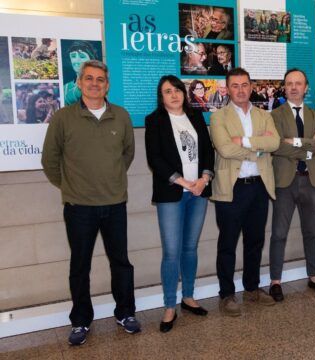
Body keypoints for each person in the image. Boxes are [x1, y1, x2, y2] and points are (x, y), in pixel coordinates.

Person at [41, 60, 139, 346]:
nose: (95, 84)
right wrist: (70, 187)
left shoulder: (120, 116)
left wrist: (111, 181)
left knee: (121, 261)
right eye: (89, 79)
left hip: (115, 203)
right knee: (80, 265)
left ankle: (125, 313)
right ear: (80, 83)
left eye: (100, 80)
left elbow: (127, 155)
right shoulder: (62, 118)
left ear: (107, 85)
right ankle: (81, 320)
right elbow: (50, 160)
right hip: (79, 207)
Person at [145, 75, 214, 332]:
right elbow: (156, 159)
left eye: (176, 90)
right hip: (173, 193)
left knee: (190, 248)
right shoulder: (154, 121)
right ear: (161, 97)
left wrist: (204, 179)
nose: (173, 95)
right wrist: (187, 183)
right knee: (172, 252)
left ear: (184, 93)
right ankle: (169, 306)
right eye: (167, 91)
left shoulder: (196, 117)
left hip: (199, 192)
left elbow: (208, 150)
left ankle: (188, 297)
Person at [210, 67, 280, 316]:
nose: (240, 90)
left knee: (255, 242)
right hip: (232, 189)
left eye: (245, 85)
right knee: (227, 244)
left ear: (251, 87)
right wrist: (258, 149)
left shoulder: (264, 115)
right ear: (228, 89)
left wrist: (246, 141)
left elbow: (274, 142)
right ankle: (226, 294)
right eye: (235, 86)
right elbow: (226, 150)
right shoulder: (218, 117)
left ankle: (252, 289)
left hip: (259, 187)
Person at [269, 68, 315, 301]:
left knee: (311, 232)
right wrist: (307, 147)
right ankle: (275, 281)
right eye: (289, 83)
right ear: (284, 87)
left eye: (298, 83)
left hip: (311, 182)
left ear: (306, 88)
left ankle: (314, 276)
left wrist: (294, 142)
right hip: (285, 182)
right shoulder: (274, 115)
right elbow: (276, 145)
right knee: (278, 234)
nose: (293, 87)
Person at [64, 41, 99, 105]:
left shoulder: (97, 84)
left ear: (91, 59)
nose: (77, 61)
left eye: (82, 56)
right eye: (73, 56)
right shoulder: (65, 87)